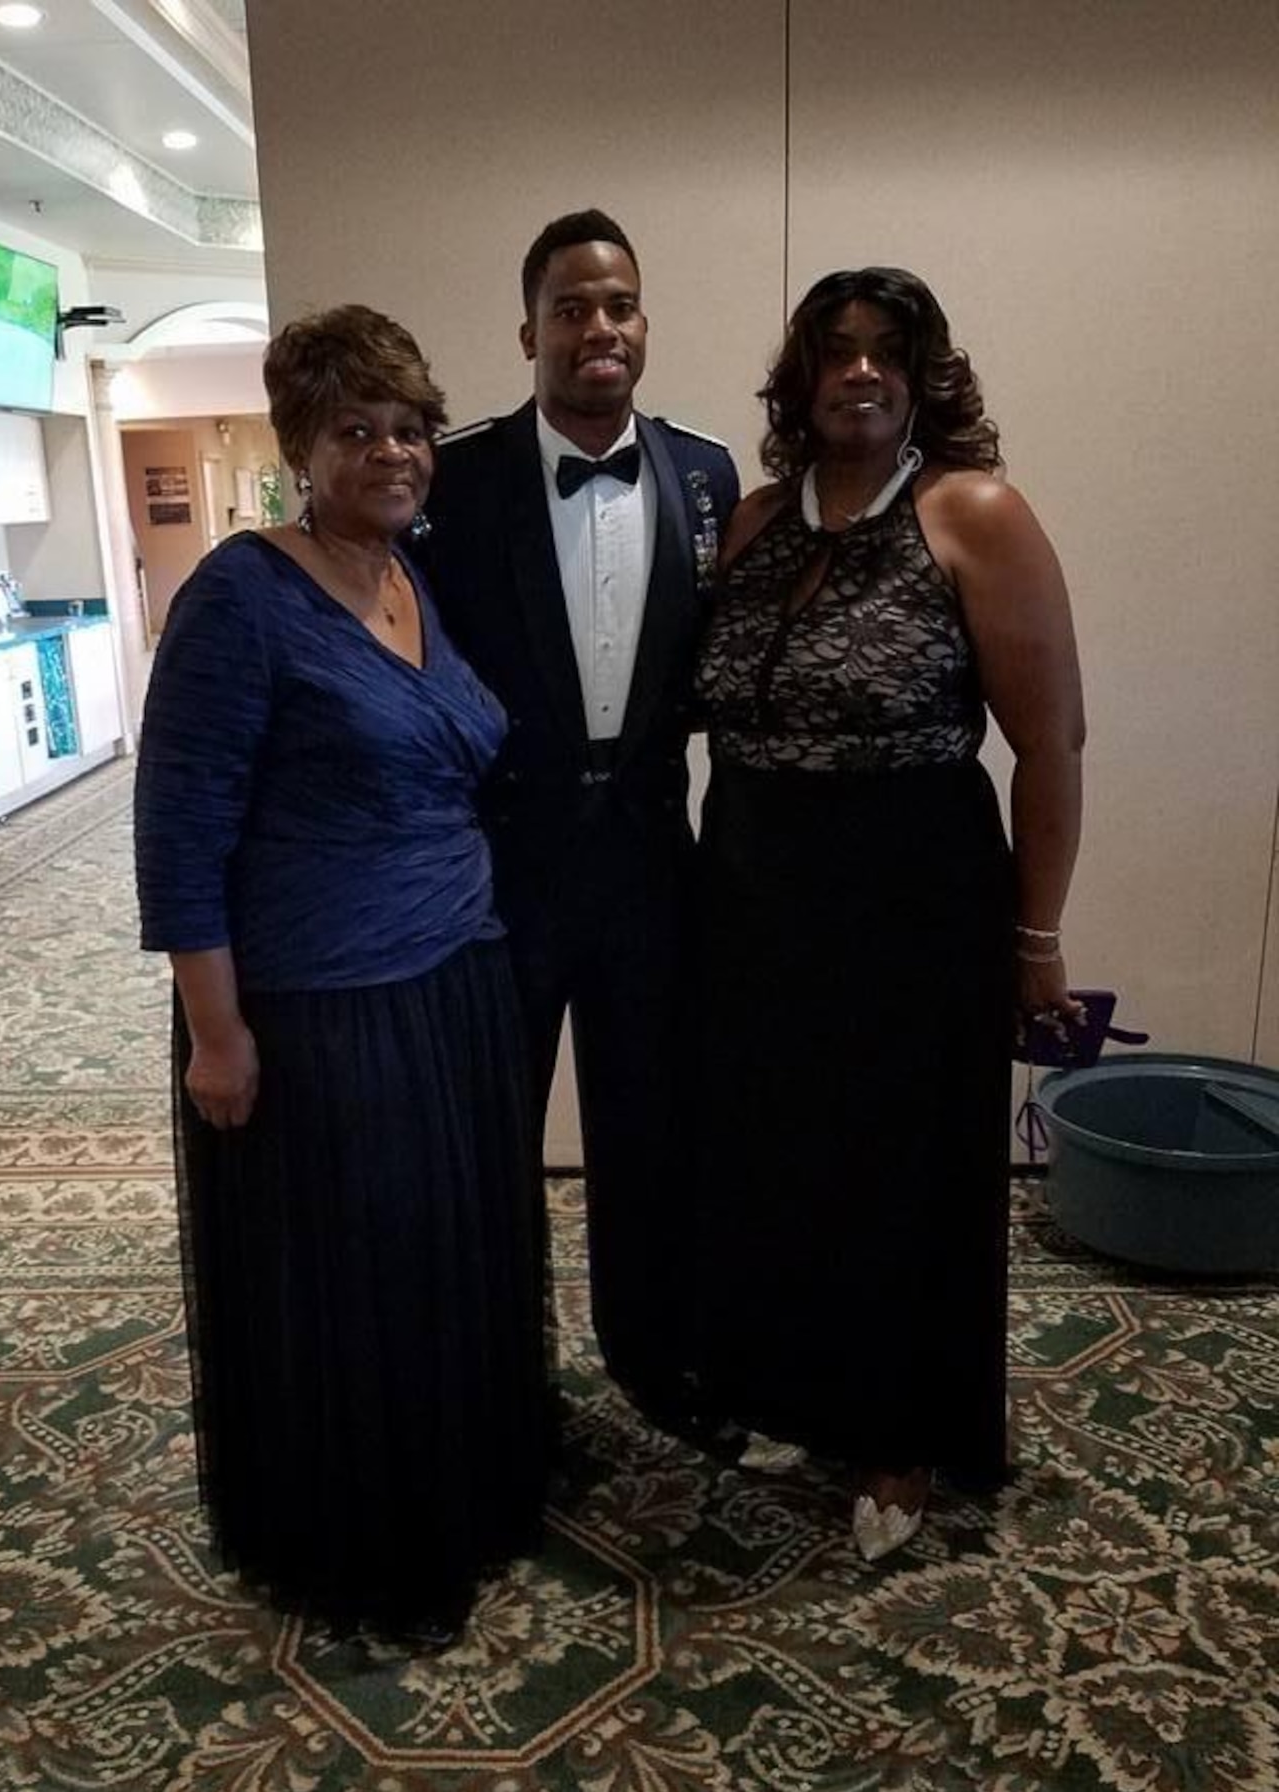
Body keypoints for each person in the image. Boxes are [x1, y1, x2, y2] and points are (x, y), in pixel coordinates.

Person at [133, 305, 547, 1647]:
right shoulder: (243, 595)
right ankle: (368, 1543)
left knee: (449, 1259)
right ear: (302, 448)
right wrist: (216, 1035)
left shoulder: (411, 575)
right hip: (324, 1009)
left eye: (410, 428)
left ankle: (467, 1486)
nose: (393, 451)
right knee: (357, 1283)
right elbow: (179, 829)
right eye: (356, 430)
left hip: (455, 984)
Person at [691, 267, 1085, 1560]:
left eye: (886, 351)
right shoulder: (752, 526)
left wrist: (1038, 937)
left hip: (914, 896)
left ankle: (907, 1439)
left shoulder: (972, 511)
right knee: (782, 1158)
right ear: (800, 378)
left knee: (908, 1176)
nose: (859, 371)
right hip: (756, 894)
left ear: (923, 374)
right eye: (835, 351)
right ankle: (806, 1391)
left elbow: (1055, 742)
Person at [421, 209, 740, 1437]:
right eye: (571, 308)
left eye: (619, 305)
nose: (598, 328)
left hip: (656, 864)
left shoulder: (705, 472)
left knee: (651, 1131)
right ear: (528, 332)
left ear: (643, 323)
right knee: (491, 1135)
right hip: (504, 864)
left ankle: (656, 1362)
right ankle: (499, 1381)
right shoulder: (453, 473)